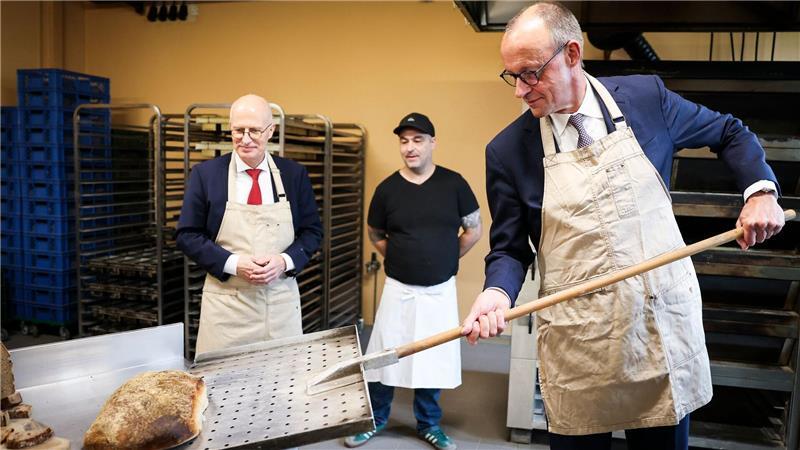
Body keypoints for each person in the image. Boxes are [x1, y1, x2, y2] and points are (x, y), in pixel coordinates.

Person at [460, 3, 786, 449]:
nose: (519, 90)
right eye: (511, 76)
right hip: (581, 345)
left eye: (530, 73)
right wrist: (495, 294)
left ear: (572, 54)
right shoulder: (508, 151)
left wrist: (760, 192)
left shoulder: (646, 99)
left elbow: (730, 132)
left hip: (657, 330)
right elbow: (510, 248)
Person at [345, 113, 482, 450]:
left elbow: (473, 230)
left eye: (417, 140)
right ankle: (374, 419)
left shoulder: (454, 184)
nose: (410, 147)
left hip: (439, 292)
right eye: (404, 141)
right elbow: (375, 233)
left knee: (432, 359)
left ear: (433, 142)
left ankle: (429, 424)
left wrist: (446, 256)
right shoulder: (388, 189)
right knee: (383, 357)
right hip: (399, 289)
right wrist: (401, 255)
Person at [176, 94, 322, 356]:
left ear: (270, 131)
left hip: (279, 306)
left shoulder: (293, 175)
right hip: (226, 310)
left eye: (254, 130)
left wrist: (285, 261)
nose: (245, 139)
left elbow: (312, 232)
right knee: (222, 388)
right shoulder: (206, 175)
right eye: (238, 130)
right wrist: (234, 263)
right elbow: (187, 235)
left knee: (282, 386)